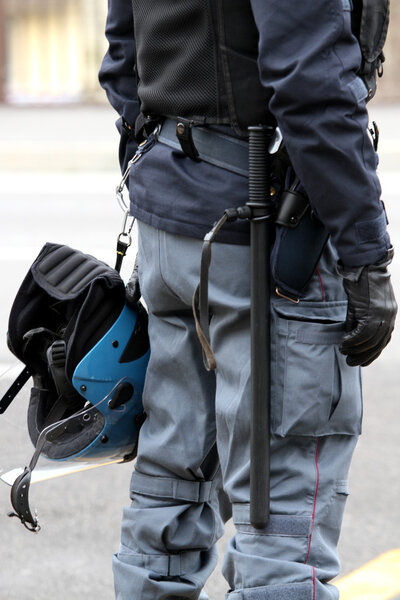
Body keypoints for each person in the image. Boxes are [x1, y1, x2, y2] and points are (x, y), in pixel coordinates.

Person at [99, 1, 397, 599]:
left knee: (169, 486)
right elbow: (310, 82)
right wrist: (366, 251)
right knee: (281, 519)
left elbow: (125, 56)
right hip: (257, 234)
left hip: (174, 216)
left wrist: (168, 172)